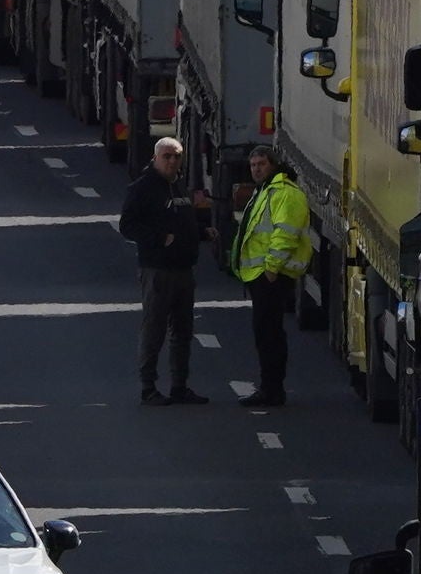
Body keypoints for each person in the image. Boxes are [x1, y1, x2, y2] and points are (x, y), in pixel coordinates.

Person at [115, 135, 213, 405]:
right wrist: (159, 238)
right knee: (155, 329)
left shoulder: (177, 185)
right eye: (167, 156)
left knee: (182, 331)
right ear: (155, 158)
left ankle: (179, 386)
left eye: (177, 156)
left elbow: (183, 221)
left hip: (184, 268)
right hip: (157, 270)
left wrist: (202, 233)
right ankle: (149, 388)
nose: (172, 161)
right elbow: (127, 226)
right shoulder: (143, 187)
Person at [231, 144, 313, 411]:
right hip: (262, 275)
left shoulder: (285, 193)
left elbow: (285, 234)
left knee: (269, 335)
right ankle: (269, 387)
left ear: (273, 165)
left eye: (261, 164)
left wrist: (271, 268)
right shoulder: (266, 190)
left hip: (272, 277)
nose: (256, 169)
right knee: (265, 334)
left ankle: (272, 389)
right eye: (253, 165)